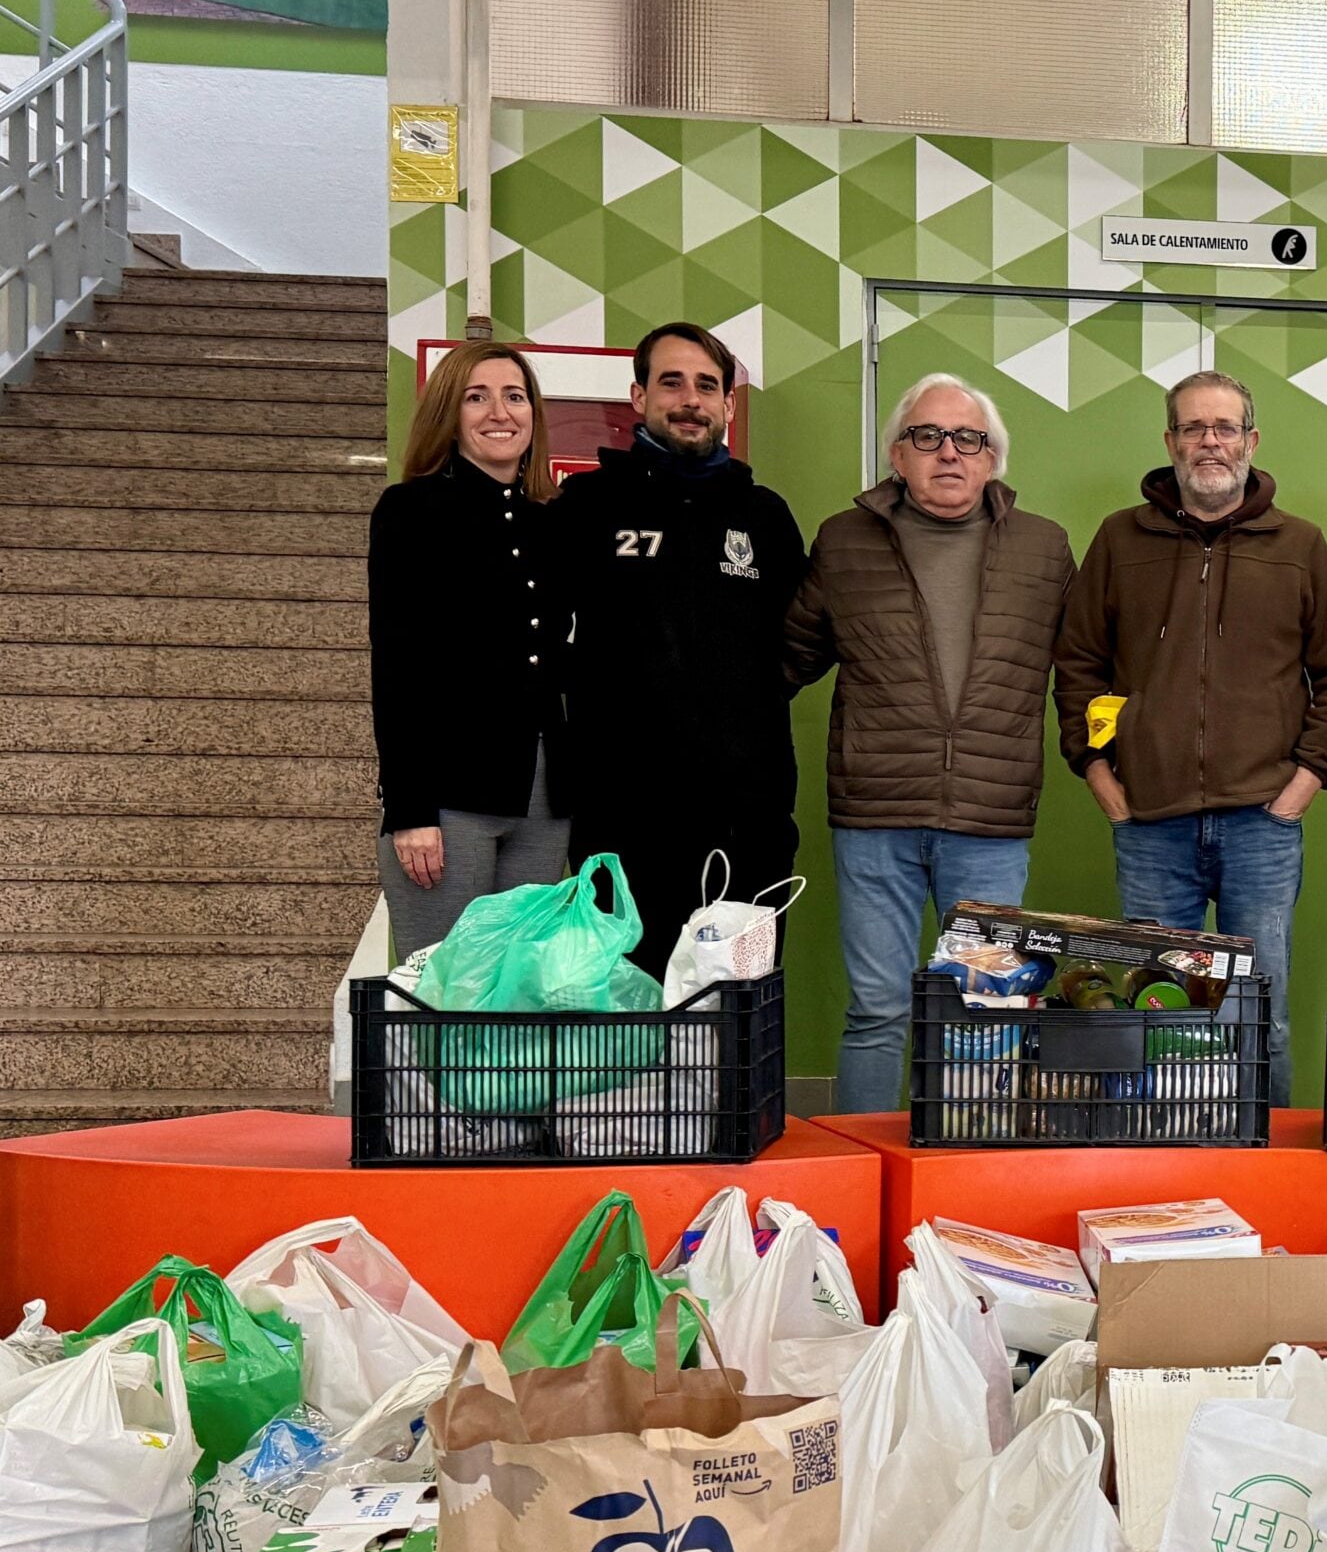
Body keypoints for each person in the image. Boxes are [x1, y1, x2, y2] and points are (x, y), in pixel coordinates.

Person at [1053, 370, 1327, 1105]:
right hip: (1150, 824)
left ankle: (1268, 1170)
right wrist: (1099, 773)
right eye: (1194, 427)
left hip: (1262, 823)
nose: (1210, 441)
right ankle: (1161, 1161)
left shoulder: (1299, 545)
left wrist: (1302, 786)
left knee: (1260, 1017)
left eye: (1225, 427)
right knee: (1154, 1015)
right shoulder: (1120, 539)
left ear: (1251, 441)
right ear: (1170, 442)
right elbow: (1076, 664)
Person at [784, 375, 1074, 1113]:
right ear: (896, 455)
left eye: (968, 438)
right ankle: (863, 1179)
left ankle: (966, 1171)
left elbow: (1087, 667)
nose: (949, 452)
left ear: (992, 459)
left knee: (985, 1015)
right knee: (877, 1011)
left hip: (990, 821)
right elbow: (784, 660)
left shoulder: (1044, 549)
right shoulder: (844, 540)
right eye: (928, 436)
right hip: (874, 816)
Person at [553, 322, 808, 976]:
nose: (690, 399)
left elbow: (805, 638)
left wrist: (744, 705)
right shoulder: (585, 505)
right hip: (619, 818)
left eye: (707, 385)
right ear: (638, 396)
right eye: (672, 382)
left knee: (742, 1018)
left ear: (728, 404)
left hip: (746, 819)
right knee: (625, 1017)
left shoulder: (765, 517)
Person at [367, 339, 569, 957]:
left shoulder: (554, 520)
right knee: (444, 998)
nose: (499, 413)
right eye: (476, 398)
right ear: (449, 415)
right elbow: (397, 666)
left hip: (546, 800)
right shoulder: (409, 511)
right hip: (448, 800)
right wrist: (410, 810)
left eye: (514, 396)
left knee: (521, 1000)